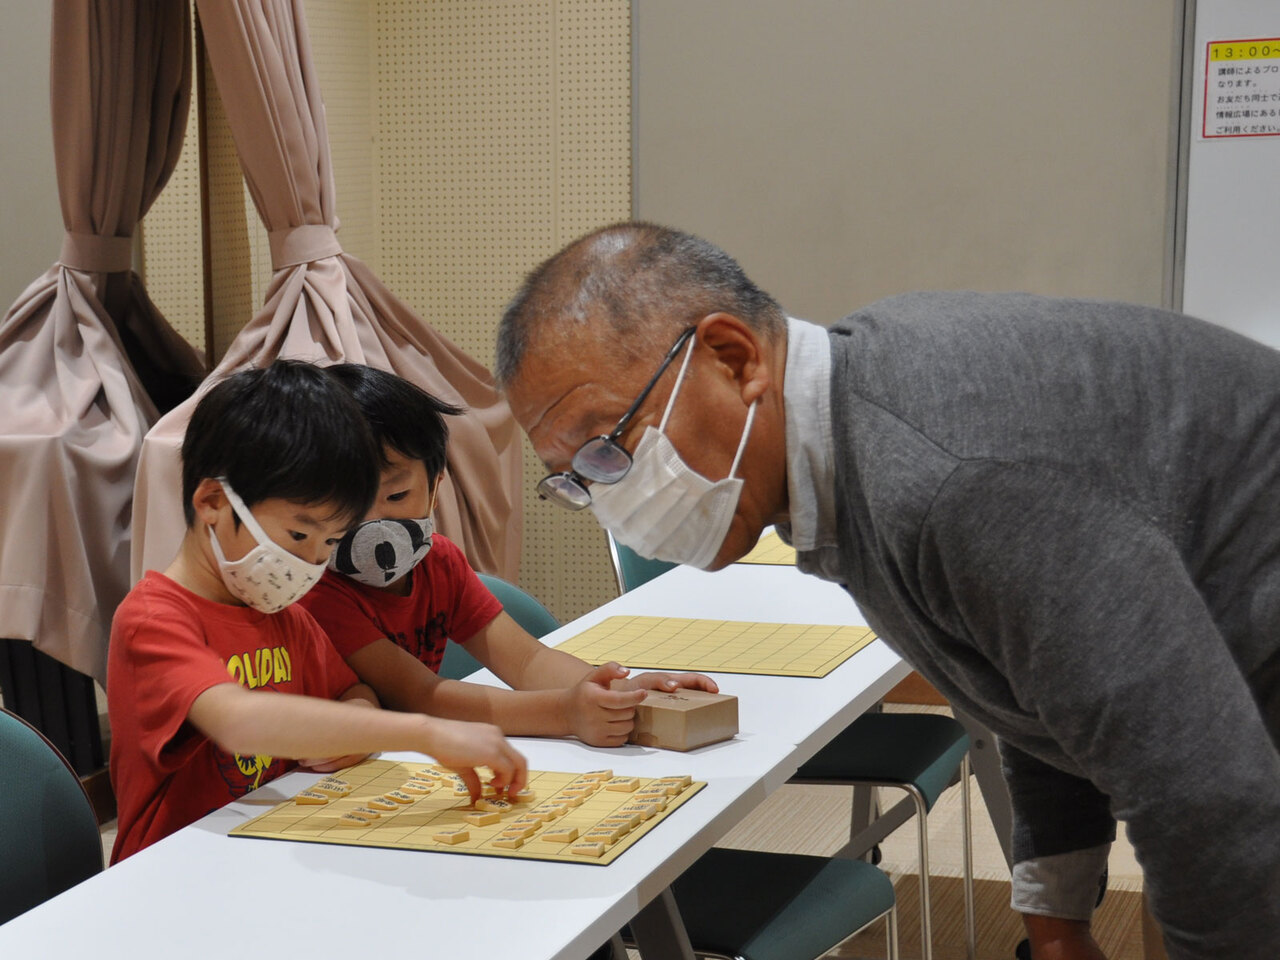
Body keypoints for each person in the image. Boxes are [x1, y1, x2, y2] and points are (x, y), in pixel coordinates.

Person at [492, 222, 1280, 960]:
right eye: (577, 478)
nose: (611, 498)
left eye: (608, 447)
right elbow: (1039, 690)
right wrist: (1057, 924)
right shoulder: (852, 433)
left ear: (733, 359)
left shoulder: (943, 475)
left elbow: (1212, 806)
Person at [107, 361, 526, 863]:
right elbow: (238, 720)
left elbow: (352, 690)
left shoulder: (283, 612)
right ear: (214, 501)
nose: (309, 563)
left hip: (275, 849)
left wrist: (352, 723)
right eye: (299, 535)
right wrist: (424, 732)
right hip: (172, 879)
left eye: (329, 542)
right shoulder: (154, 620)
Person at [298, 362, 717, 747]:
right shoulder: (316, 590)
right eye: (348, 502)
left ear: (436, 485)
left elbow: (528, 659)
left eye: (397, 495)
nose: (375, 523)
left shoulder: (438, 562)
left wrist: (611, 690)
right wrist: (566, 713)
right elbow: (421, 697)